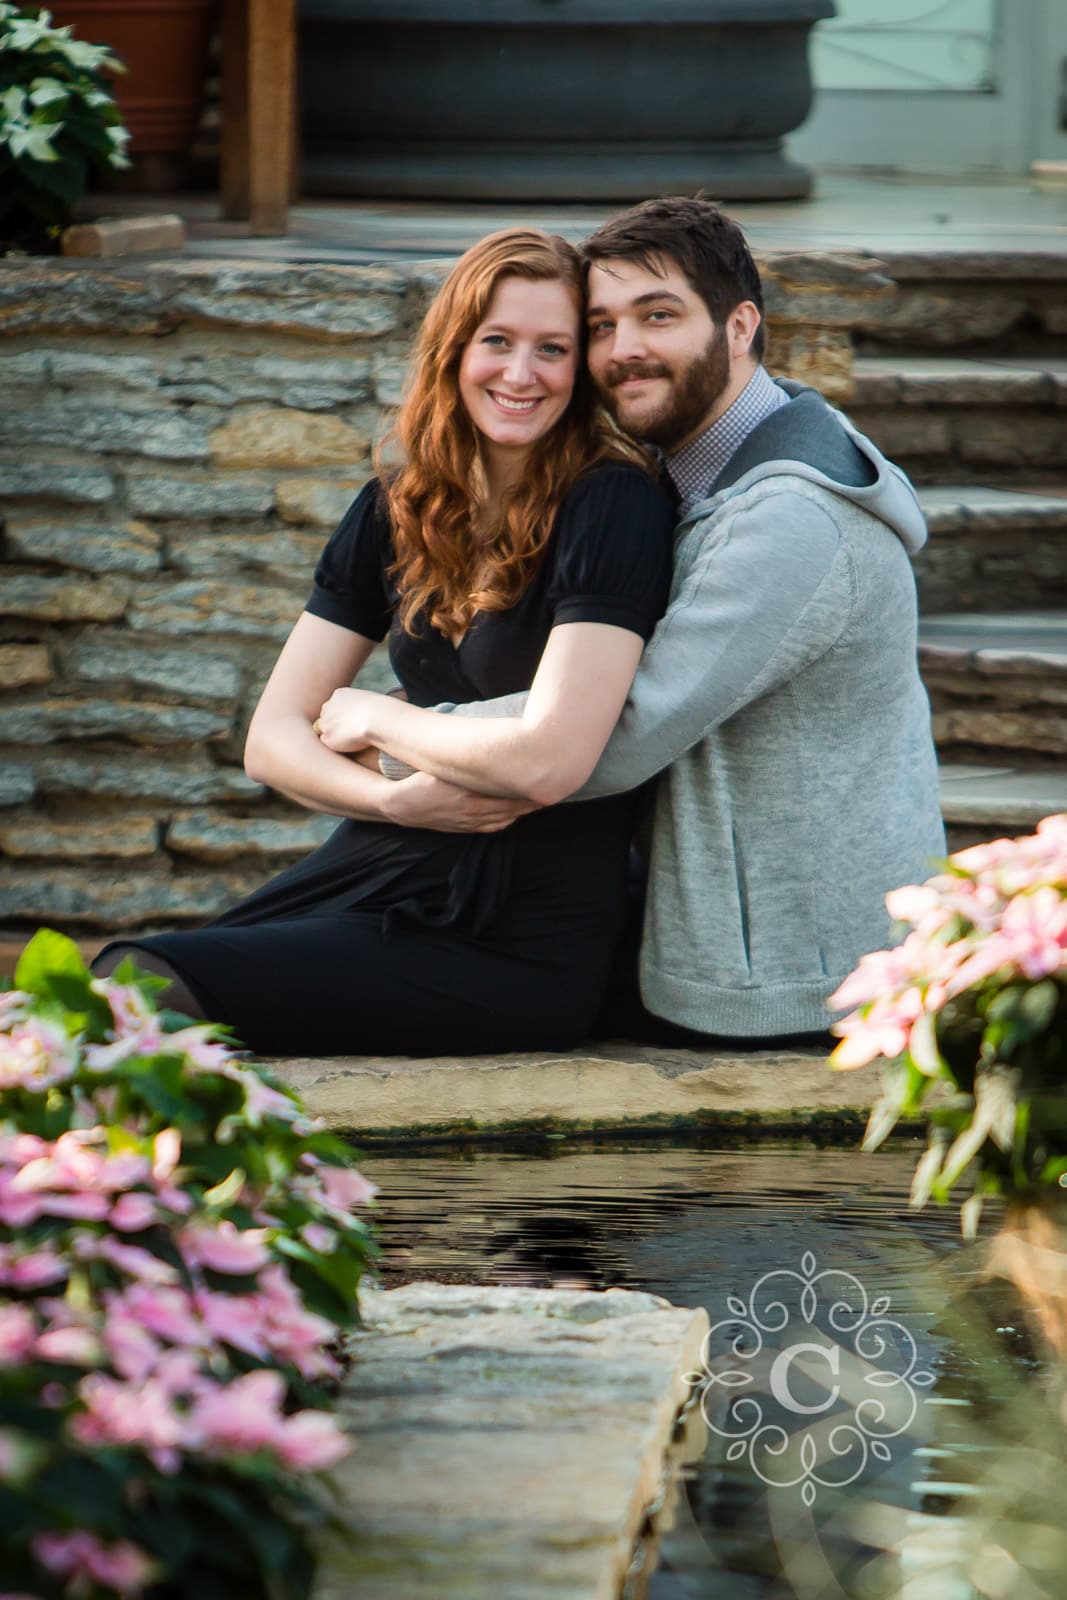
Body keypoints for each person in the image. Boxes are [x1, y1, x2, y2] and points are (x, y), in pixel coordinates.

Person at [352, 197, 946, 1047]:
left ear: (740, 327)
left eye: (657, 316)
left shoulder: (790, 519)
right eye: (600, 325)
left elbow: (609, 735)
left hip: (801, 979)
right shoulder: (690, 477)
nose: (622, 350)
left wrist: (385, 726)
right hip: (712, 935)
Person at [90, 228, 675, 1057]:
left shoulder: (611, 505)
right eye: (497, 342)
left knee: (147, 987)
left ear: (582, 369)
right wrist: (391, 801)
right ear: (452, 350)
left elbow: (550, 763)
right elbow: (271, 740)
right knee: (110, 987)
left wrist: (373, 716)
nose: (521, 374)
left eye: (554, 348)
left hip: (514, 931)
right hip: (380, 863)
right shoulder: (398, 503)